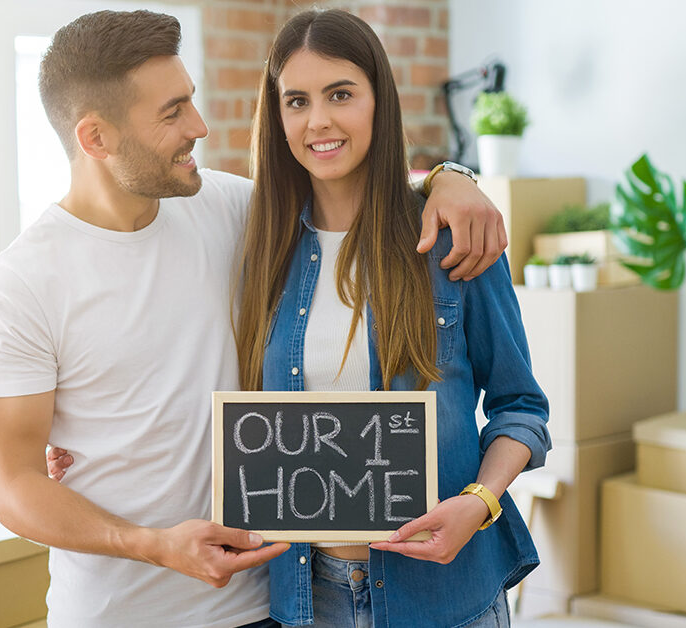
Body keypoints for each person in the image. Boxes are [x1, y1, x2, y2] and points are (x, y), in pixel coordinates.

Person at [0, 9, 508, 628]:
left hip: (268, 602)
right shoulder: (18, 287)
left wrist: (452, 178)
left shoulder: (231, 210)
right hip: (123, 610)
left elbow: (348, 187)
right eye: (172, 113)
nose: (198, 126)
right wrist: (151, 543)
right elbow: (11, 488)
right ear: (95, 138)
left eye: (190, 101)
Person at [232, 9, 550, 628]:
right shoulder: (256, 249)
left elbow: (521, 408)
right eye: (296, 100)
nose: (318, 119)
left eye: (341, 94)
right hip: (305, 598)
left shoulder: (455, 239)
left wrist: (478, 504)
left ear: (381, 100)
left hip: (446, 596)